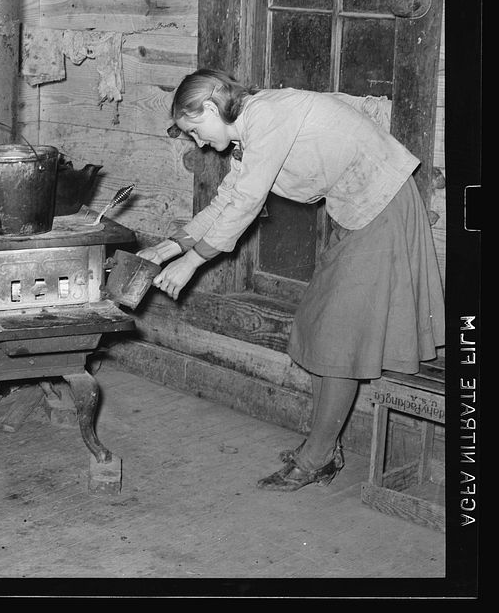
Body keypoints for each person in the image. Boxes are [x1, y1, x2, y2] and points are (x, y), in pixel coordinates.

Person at [137, 68, 445, 491]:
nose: (199, 142)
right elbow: (228, 197)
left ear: (210, 108)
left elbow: (247, 201)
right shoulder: (249, 132)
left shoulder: (267, 116)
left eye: (195, 130)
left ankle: (316, 458)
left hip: (382, 206)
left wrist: (192, 263)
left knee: (336, 339)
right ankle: (323, 448)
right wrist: (169, 248)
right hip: (357, 211)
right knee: (319, 328)